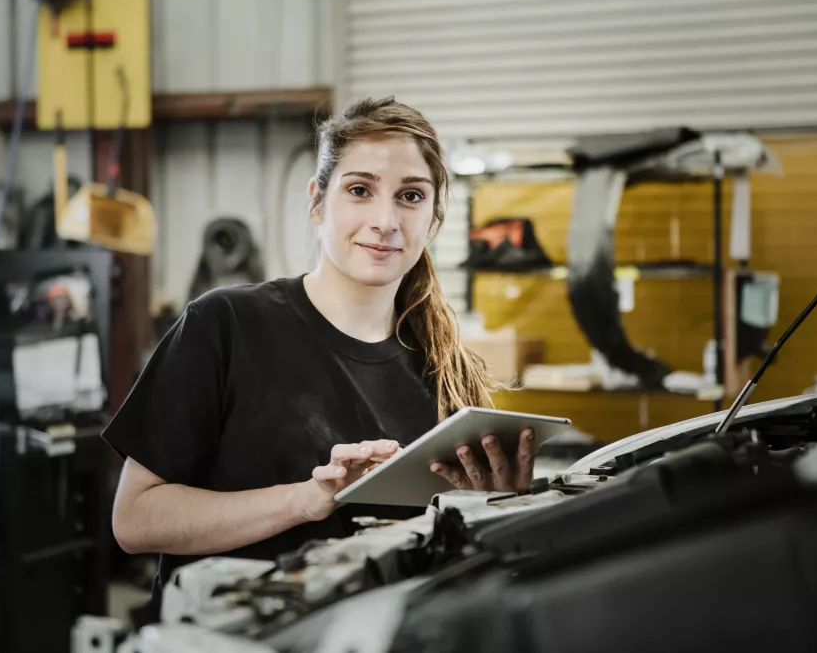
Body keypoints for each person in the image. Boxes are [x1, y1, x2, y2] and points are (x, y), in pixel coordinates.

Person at [103, 96, 538, 599]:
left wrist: (493, 507)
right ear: (316, 201)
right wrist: (307, 499)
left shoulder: (447, 370)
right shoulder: (225, 325)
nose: (386, 220)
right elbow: (134, 521)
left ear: (435, 220)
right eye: (359, 190)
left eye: (411, 197)